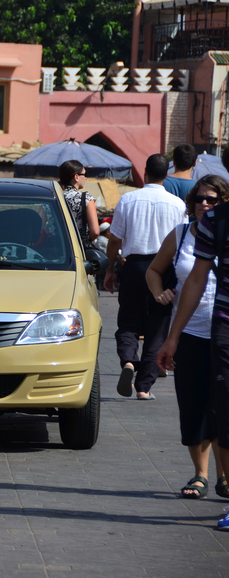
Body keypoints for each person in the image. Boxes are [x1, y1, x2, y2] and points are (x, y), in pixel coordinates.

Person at [146, 176, 229, 500]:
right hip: (191, 331)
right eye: (200, 199)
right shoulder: (181, 234)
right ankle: (201, 474)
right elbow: (155, 270)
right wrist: (159, 293)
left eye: (213, 199)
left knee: (221, 406)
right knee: (193, 404)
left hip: (220, 328)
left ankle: (225, 477)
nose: (205, 205)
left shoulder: (222, 229)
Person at [105, 153, 187, 399]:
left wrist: (111, 267)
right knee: (158, 326)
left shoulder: (128, 200)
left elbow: (114, 239)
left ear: (146, 172)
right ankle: (144, 387)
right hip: (166, 269)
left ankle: (129, 361)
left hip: (135, 266)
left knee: (129, 322)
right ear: (166, 174)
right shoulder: (178, 204)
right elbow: (181, 243)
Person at [59, 159, 100, 245]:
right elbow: (95, 231)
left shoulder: (55, 197)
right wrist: (87, 241)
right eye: (85, 174)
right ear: (76, 177)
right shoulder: (86, 198)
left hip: (59, 247)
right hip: (78, 246)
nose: (86, 178)